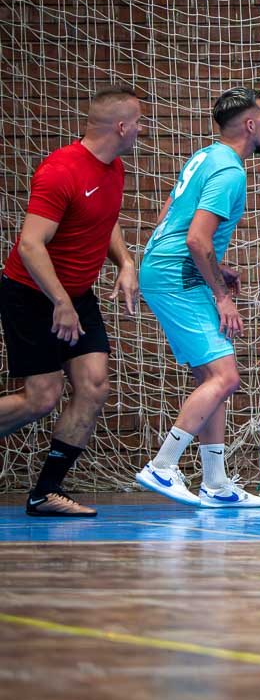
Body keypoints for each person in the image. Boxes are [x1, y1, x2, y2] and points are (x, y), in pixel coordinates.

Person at [1, 90, 144, 517]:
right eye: (138, 122)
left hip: (76, 296)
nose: (142, 129)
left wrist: (126, 262)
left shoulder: (113, 167)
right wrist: (59, 301)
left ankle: (46, 492)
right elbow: (30, 244)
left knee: (94, 386)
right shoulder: (60, 171)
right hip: (32, 294)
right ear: (121, 127)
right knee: (42, 398)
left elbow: (104, 218)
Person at [134, 88, 260, 508]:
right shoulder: (230, 171)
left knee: (212, 377)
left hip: (169, 268)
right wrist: (221, 296)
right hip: (179, 276)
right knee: (226, 378)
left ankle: (216, 483)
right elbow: (196, 239)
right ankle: (162, 465)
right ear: (250, 125)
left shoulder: (206, 156)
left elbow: (170, 217)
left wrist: (216, 268)